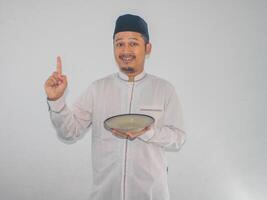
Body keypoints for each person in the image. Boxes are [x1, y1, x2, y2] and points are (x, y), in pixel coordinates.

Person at [44, 14, 186, 200]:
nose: (125, 50)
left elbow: (178, 137)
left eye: (133, 43)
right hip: (105, 194)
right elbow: (69, 132)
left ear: (148, 48)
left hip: (151, 195)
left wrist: (147, 133)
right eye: (119, 44)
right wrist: (56, 100)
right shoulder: (97, 89)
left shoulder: (164, 89)